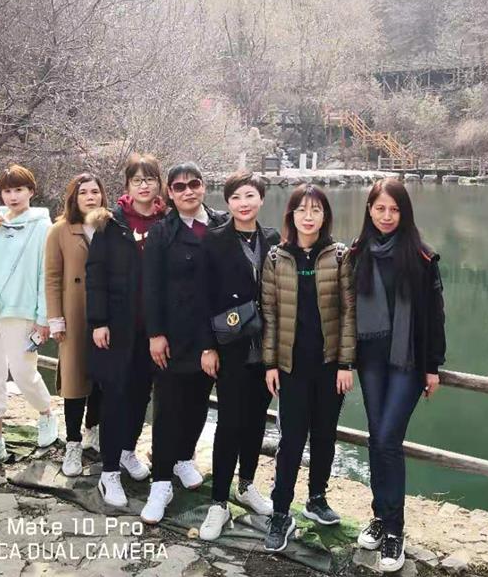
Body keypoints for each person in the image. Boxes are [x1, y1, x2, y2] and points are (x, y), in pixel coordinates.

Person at [349, 178, 446, 572]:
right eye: (380, 208)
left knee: (388, 438)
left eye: (394, 209)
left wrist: (433, 366)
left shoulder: (421, 257)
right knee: (377, 439)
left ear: (404, 213)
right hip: (371, 361)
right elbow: (346, 311)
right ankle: (380, 515)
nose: (387, 216)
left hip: (407, 362)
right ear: (369, 210)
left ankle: (394, 531)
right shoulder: (357, 254)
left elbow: (435, 316)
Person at [261, 184, 355, 553]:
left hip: (329, 364)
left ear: (325, 216)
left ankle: (317, 498)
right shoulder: (276, 258)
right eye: (302, 209)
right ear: (292, 215)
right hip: (291, 365)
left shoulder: (339, 255)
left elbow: (348, 313)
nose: (308, 216)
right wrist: (270, 363)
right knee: (291, 440)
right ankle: (280, 511)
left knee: (325, 436)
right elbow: (270, 314)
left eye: (316, 210)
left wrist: (346, 362)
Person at [140, 162, 228, 524]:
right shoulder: (163, 232)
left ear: (204, 186)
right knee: (168, 408)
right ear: (170, 193)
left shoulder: (222, 224)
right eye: (179, 187)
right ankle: (161, 481)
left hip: (215, 333)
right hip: (175, 334)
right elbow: (151, 286)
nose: (188, 191)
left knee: (198, 403)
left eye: (194, 184)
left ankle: (183, 458)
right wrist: (155, 334)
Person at [198, 172, 280, 540]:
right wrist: (207, 346)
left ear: (261, 198)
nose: (243, 203)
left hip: (266, 349)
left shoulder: (273, 239)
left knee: (256, 420)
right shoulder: (214, 240)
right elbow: (202, 297)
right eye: (236, 197)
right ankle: (218, 501)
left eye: (250, 195)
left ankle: (246, 485)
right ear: (227, 202)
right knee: (230, 422)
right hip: (230, 345)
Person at [85, 154, 167, 507]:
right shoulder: (112, 223)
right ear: (127, 186)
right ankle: (109, 472)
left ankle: (127, 451)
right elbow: (95, 274)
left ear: (159, 184)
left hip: (154, 330)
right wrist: (98, 321)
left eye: (150, 179)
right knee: (116, 396)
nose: (144, 185)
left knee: (140, 395)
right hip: (118, 327)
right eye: (137, 180)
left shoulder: (167, 221)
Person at [0, 164, 57, 467]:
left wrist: (43, 318)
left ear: (31, 191)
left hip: (21, 309)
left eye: (19, 189)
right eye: (7, 190)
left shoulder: (43, 227)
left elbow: (46, 274)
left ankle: (46, 413)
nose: (13, 196)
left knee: (22, 370)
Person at [45, 173, 107, 477]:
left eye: (95, 191)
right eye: (84, 192)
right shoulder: (60, 230)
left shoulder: (109, 226)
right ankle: (72, 442)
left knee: (101, 376)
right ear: (74, 197)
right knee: (74, 378)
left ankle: (93, 429)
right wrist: (55, 318)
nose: (90, 197)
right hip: (74, 312)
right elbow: (52, 277)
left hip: (105, 313)